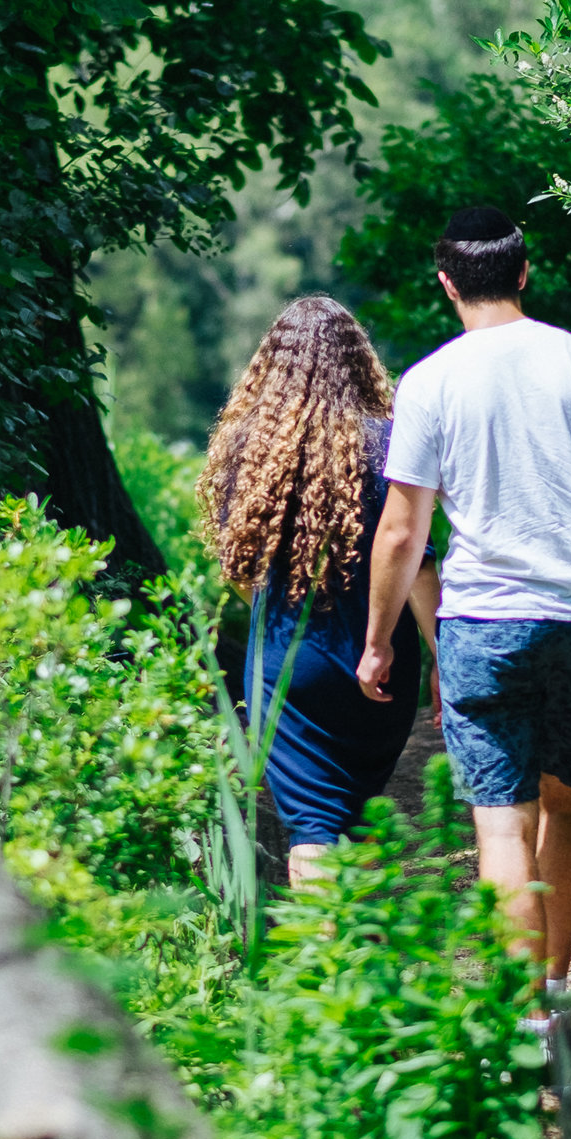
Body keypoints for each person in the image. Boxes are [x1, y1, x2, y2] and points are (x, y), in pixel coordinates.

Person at [355, 207, 571, 1033]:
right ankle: (555, 989)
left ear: (447, 284)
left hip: (485, 624)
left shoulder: (430, 382)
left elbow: (403, 530)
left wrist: (378, 640)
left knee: (500, 819)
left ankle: (523, 1019)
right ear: (524, 270)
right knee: (569, 803)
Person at [200, 296, 439, 883]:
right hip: (379, 656)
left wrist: (276, 622)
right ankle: (355, 949)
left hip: (286, 659)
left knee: (313, 823)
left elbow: (239, 570)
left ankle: (330, 967)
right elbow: (416, 562)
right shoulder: (388, 442)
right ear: (358, 362)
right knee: (354, 812)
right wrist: (442, 653)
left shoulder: (247, 449)